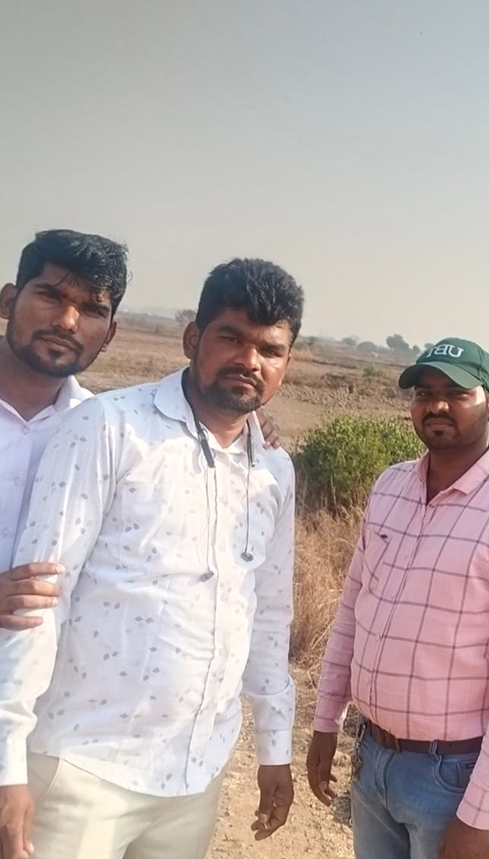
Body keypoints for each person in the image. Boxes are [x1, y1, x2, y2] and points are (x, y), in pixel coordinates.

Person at [0, 258, 304, 859]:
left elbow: (269, 614)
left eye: (270, 349)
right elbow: (39, 600)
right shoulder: (108, 428)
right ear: (193, 338)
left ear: (286, 364)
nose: (250, 360)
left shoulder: (273, 469)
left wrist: (275, 748)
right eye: (231, 338)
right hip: (82, 768)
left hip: (193, 777)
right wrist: (8, 763)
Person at [307, 337, 489, 859]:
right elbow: (353, 612)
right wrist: (325, 720)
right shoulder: (390, 488)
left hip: (451, 778)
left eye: (456, 392)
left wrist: (480, 814)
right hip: (372, 753)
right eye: (424, 393)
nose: (437, 405)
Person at [0, 230, 128, 626]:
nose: (67, 322)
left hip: (40, 661)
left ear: (109, 335)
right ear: (8, 301)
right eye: (50, 296)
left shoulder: (102, 430)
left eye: (91, 310)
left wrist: (252, 423)